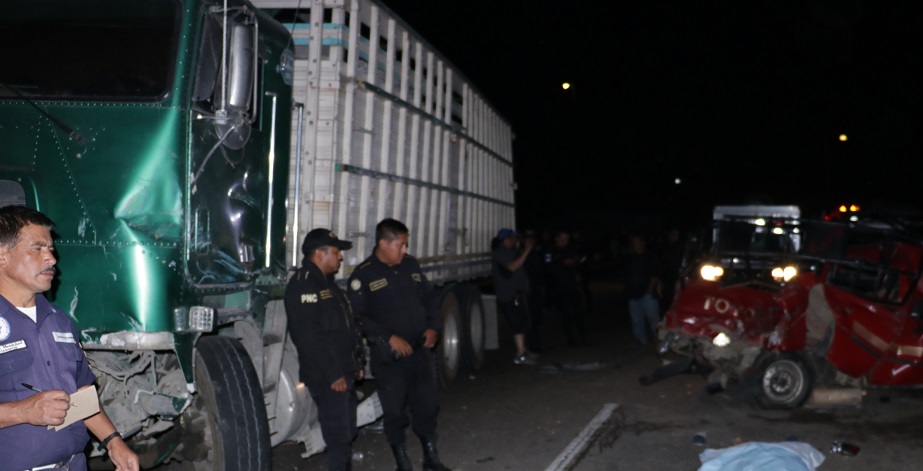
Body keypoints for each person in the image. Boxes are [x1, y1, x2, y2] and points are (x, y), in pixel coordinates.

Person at [0, 205, 139, 471]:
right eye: (37, 248)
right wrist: (22, 412)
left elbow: (81, 392)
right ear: (2, 256)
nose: (51, 258)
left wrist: (113, 442)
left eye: (50, 249)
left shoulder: (60, 320)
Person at [347, 218, 451, 471]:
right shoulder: (363, 275)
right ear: (384, 243)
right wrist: (388, 336)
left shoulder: (411, 266)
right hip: (390, 356)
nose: (405, 251)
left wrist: (433, 328)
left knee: (427, 405)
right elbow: (358, 317)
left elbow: (430, 299)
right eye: (401, 245)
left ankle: (431, 458)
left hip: (419, 352)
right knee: (394, 411)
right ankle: (402, 462)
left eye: (406, 245)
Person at [284, 228, 364, 471]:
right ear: (319, 254)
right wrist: (333, 374)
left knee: (347, 430)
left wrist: (356, 365)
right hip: (328, 376)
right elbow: (309, 337)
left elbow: (345, 328)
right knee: (338, 436)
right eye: (336, 251)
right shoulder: (305, 285)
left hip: (343, 371)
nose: (340, 256)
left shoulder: (328, 285)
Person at [491, 228, 537, 365]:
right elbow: (512, 267)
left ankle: (523, 351)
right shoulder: (500, 253)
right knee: (518, 324)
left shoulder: (508, 252)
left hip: (514, 295)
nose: (516, 240)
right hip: (508, 296)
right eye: (513, 238)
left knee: (522, 322)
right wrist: (527, 251)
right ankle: (520, 354)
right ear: (507, 239)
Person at [546, 229, 589, 347]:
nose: (564, 242)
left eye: (566, 239)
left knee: (580, 312)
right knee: (566, 314)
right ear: (556, 238)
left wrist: (574, 261)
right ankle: (571, 339)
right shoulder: (550, 251)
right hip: (560, 287)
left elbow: (578, 260)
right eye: (562, 239)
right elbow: (549, 268)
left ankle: (585, 338)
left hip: (573, 285)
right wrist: (562, 263)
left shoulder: (570, 249)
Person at [620, 233, 662, 346]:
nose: (635, 244)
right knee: (636, 319)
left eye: (637, 242)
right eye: (633, 242)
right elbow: (625, 274)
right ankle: (640, 340)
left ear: (643, 243)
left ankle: (659, 339)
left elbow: (655, 274)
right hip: (633, 293)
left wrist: (650, 289)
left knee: (653, 318)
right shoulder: (629, 258)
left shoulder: (650, 256)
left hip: (647, 293)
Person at [521, 229, 548, 353]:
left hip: (537, 289)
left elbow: (541, 271)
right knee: (530, 319)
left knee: (538, 318)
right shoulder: (521, 254)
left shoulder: (537, 253)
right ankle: (533, 345)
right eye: (528, 239)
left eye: (532, 239)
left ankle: (539, 343)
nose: (530, 242)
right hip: (528, 291)